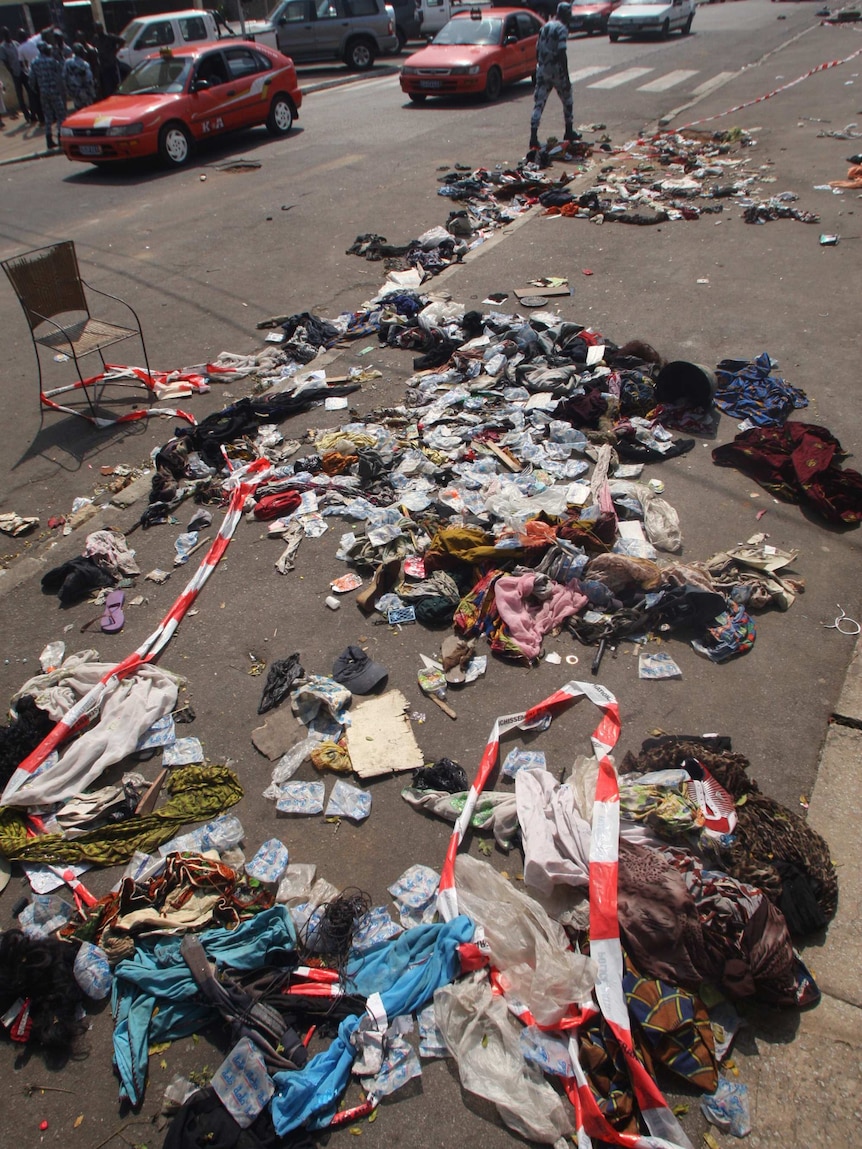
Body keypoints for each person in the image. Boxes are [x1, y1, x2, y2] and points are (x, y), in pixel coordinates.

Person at [529, 2, 580, 155]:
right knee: (567, 99)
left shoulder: (545, 27)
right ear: (565, 14)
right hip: (556, 69)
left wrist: (540, 66)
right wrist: (566, 74)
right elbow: (562, 52)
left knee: (539, 103)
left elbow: (537, 49)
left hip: (543, 69)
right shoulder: (562, 29)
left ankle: (533, 136)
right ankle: (568, 131)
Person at [27, 40, 65, 148]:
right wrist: (60, 56)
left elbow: (31, 80)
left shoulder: (34, 62)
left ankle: (49, 139)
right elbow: (61, 68)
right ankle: (59, 136)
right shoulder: (51, 61)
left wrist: (36, 90)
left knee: (47, 116)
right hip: (54, 90)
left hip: (43, 92)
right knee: (60, 114)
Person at [0, 27, 33, 122]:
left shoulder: (16, 43)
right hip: (15, 72)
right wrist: (12, 72)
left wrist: (25, 67)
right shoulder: (2, 47)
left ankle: (33, 111)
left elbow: (22, 56)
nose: (7, 36)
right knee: (20, 94)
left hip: (23, 70)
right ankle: (26, 114)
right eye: (5, 34)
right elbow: (5, 62)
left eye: (8, 33)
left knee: (30, 91)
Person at [92, 22, 124, 99]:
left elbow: (122, 41)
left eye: (99, 28)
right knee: (106, 86)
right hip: (103, 65)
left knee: (115, 83)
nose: (98, 30)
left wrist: (115, 51)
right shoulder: (96, 38)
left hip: (111, 64)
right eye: (96, 29)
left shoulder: (109, 37)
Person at [64, 42, 95, 109]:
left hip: (74, 91)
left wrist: (68, 90)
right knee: (88, 110)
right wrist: (92, 93)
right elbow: (89, 80)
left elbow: (64, 76)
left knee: (78, 109)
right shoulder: (84, 64)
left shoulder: (67, 62)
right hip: (84, 92)